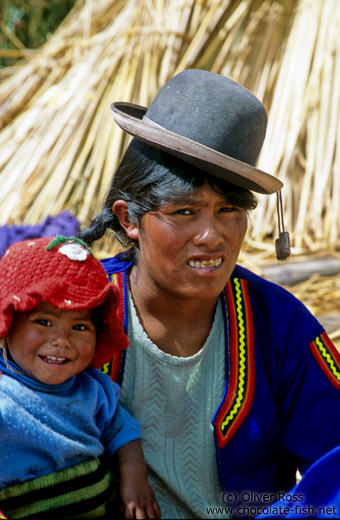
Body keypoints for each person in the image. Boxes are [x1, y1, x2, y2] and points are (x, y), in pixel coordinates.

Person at [80, 69, 340, 519]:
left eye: (229, 211)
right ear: (128, 220)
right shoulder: (76, 309)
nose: (211, 236)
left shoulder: (280, 326)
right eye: (184, 211)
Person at [0, 236, 161, 520]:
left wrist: (135, 478)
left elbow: (123, 433)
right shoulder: (5, 395)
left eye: (79, 326)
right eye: (44, 322)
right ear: (8, 322)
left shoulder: (94, 389)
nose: (62, 340)